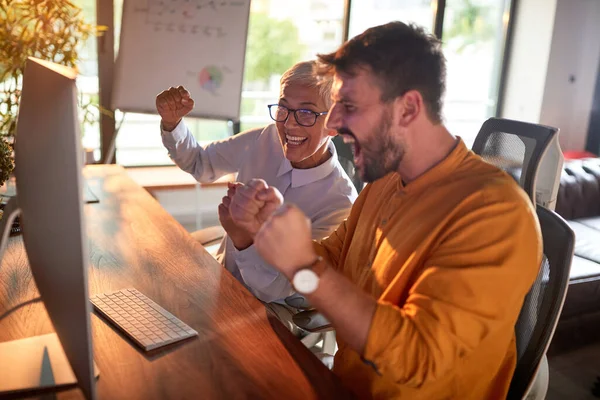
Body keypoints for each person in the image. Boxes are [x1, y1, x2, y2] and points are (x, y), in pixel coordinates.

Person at [229, 22, 542, 399]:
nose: (331, 123)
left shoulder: (496, 213)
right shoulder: (383, 182)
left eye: (349, 106)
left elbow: (418, 359)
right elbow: (331, 264)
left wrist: (302, 266)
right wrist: (266, 231)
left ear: (408, 108)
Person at [155, 61, 357, 309]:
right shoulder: (267, 138)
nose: (289, 124)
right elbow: (200, 163)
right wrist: (172, 123)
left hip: (273, 315)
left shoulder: (340, 204)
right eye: (283, 109)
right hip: (221, 282)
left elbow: (281, 288)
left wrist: (244, 239)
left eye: (306, 113)